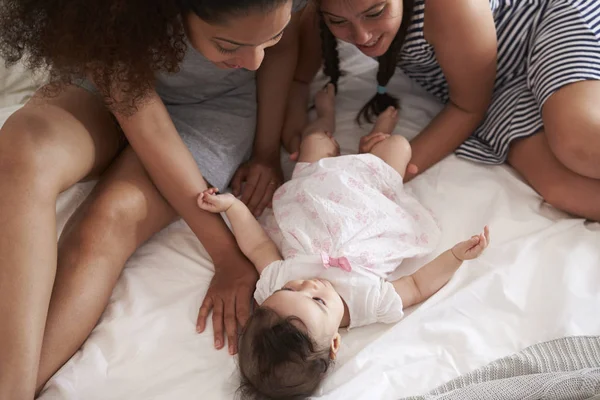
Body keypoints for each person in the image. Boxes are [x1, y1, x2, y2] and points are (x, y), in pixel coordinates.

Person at [0, 0, 307, 398]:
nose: (253, 62)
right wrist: (224, 252)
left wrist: (266, 152)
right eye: (229, 45)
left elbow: (282, 50)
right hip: (104, 89)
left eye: (270, 36)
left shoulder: (260, 46)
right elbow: (147, 125)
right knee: (22, 153)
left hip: (209, 110)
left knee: (112, 218)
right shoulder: (111, 12)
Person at [198, 85, 490, 399]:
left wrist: (234, 207)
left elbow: (257, 246)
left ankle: (326, 114)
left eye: (290, 289)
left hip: (315, 194)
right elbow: (417, 285)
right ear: (335, 342)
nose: (308, 285)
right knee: (398, 147)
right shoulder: (369, 302)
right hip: (371, 204)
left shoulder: (273, 284)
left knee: (315, 139)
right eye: (317, 301)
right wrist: (456, 257)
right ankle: (377, 138)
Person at [283, 0, 600, 221]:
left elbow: (466, 107)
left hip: (538, 28)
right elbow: (300, 75)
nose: (362, 36)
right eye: (339, 22)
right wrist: (290, 118)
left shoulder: (447, 5)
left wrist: (383, 174)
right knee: (565, 189)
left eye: (376, 12)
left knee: (579, 142)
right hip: (494, 89)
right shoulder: (323, 9)